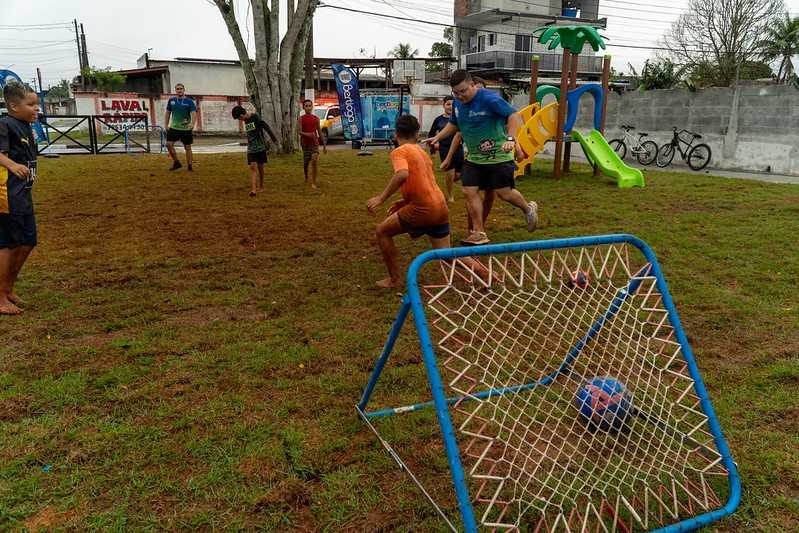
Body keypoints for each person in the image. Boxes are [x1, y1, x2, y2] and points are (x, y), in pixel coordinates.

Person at [425, 69, 538, 245]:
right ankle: (479, 232)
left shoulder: (489, 99)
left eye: (463, 91)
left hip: (498, 156)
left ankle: (528, 208)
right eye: (456, 92)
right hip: (475, 158)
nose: (460, 96)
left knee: (504, 193)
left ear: (472, 85)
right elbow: (454, 125)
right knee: (468, 191)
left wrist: (511, 139)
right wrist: (438, 137)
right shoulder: (456, 104)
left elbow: (513, 115)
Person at [366, 115, 452, 289]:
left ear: (396, 133)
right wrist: (405, 201)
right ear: (417, 133)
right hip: (440, 205)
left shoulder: (399, 151)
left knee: (382, 231)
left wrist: (381, 198)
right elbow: (422, 182)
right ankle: (485, 273)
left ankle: (395, 280)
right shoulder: (421, 152)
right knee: (446, 254)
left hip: (423, 208)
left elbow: (402, 174)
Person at [0, 82, 39, 315]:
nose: (37, 109)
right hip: (7, 195)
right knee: (8, 245)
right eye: (31, 104)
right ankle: (0, 297)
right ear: (14, 105)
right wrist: (13, 165)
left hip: (23, 194)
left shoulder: (25, 125)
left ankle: (8, 289)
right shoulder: (5, 125)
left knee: (27, 242)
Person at [231, 105, 279, 196]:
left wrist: (274, 139)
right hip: (251, 148)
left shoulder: (255, 117)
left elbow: (266, 127)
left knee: (261, 168)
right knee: (253, 167)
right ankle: (253, 189)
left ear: (242, 114)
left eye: (239, 118)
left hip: (260, 147)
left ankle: (261, 185)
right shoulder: (245, 120)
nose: (240, 120)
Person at [427, 96, 462, 203]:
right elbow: (431, 134)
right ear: (443, 105)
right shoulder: (438, 120)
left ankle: (455, 178)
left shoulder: (460, 118)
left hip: (459, 149)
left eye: (452, 104)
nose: (450, 107)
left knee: (458, 175)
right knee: (449, 173)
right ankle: (450, 196)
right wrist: (433, 148)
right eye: (448, 104)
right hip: (445, 149)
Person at [164, 83, 197, 171]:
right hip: (174, 127)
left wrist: (192, 124)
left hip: (186, 128)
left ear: (184, 90)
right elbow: (168, 113)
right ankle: (176, 162)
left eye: (181, 88)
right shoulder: (171, 101)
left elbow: (194, 113)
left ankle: (190, 166)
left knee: (187, 147)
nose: (179, 90)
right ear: (175, 90)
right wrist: (166, 124)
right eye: (178, 89)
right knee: (168, 144)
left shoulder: (189, 101)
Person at [298, 99, 326, 188]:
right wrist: (309, 134)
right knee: (306, 163)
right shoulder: (301, 119)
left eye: (310, 106)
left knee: (314, 160)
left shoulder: (316, 119)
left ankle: (313, 182)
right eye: (306, 106)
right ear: (303, 107)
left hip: (314, 143)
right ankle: (306, 176)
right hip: (305, 144)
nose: (308, 108)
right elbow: (299, 132)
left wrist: (324, 145)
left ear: (312, 107)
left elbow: (319, 132)